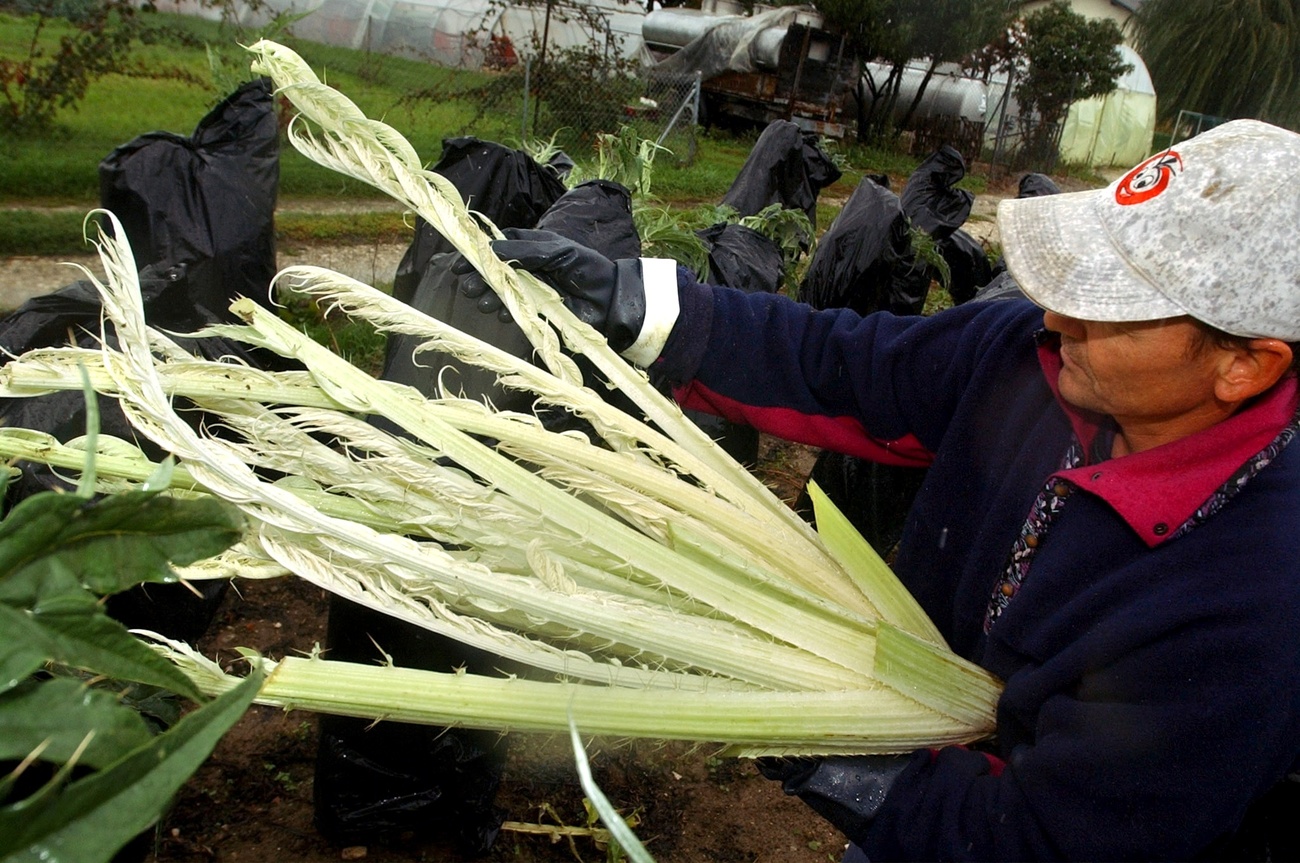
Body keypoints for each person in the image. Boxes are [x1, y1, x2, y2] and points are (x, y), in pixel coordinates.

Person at [458, 119, 1300, 860]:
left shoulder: (1253, 603)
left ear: (1244, 364)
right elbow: (850, 371)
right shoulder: (1032, 361)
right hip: (929, 772)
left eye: (1111, 308)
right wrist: (649, 309)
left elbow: (1043, 838)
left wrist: (824, 740)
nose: (1055, 318)